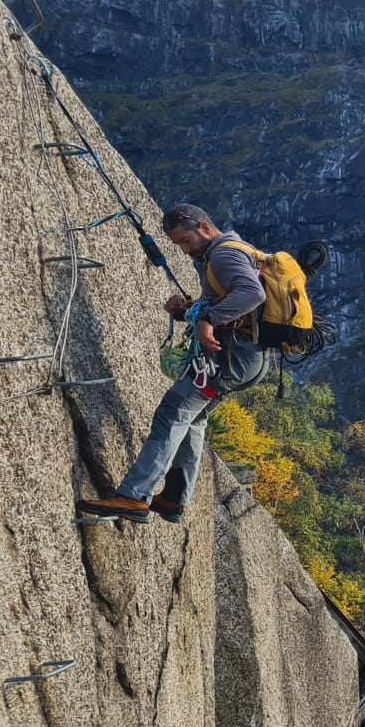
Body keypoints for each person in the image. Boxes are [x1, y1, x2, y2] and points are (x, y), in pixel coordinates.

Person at [79, 203, 273, 523]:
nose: (183, 250)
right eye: (177, 244)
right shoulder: (232, 250)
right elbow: (232, 300)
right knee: (192, 421)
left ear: (205, 228)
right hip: (246, 358)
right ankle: (172, 500)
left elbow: (252, 294)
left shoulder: (223, 254)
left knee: (173, 412)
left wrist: (207, 318)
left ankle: (134, 496)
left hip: (231, 358)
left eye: (186, 241)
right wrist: (189, 310)